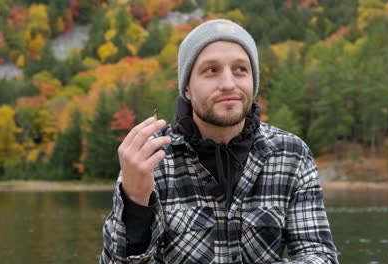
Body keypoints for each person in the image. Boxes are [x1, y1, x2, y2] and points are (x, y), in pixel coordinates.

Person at [100, 19, 338, 264]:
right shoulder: (149, 157)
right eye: (211, 70)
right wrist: (136, 202)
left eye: (240, 70)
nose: (228, 84)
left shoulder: (291, 154)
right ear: (188, 88)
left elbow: (319, 256)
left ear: (253, 82)